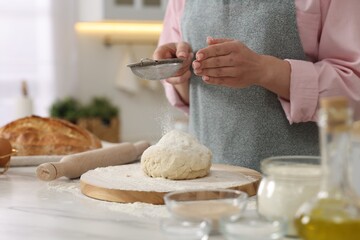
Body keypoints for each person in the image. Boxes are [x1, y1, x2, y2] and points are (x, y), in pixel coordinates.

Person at [153, 0, 360, 171]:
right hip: (206, 184)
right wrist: (178, 70)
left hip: (299, 186)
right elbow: (192, 98)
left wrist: (264, 70)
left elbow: (353, 86)